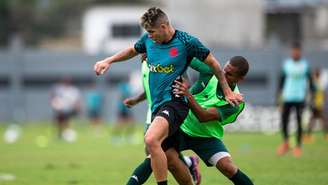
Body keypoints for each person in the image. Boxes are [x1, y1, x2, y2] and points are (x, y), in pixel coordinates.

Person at [94, 7, 242, 184]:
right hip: (158, 107)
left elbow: (214, 65)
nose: (149, 36)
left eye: (152, 32)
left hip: (175, 103)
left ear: (164, 27)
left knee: (151, 139)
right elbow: (132, 50)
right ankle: (189, 167)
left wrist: (226, 91)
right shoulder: (148, 41)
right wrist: (108, 61)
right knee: (161, 154)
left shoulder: (186, 42)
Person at [125, 56, 253, 185]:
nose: (223, 75)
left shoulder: (236, 103)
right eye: (224, 70)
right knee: (155, 157)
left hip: (205, 136)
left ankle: (190, 164)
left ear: (240, 79)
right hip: (180, 127)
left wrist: (188, 95)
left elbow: (203, 117)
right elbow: (184, 54)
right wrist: (154, 51)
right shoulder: (210, 71)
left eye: (229, 74)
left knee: (227, 167)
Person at [123, 58, 201, 185]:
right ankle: (189, 162)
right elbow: (150, 88)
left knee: (154, 150)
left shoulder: (168, 57)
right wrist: (136, 100)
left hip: (169, 111)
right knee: (166, 155)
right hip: (154, 111)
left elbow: (186, 82)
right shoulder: (145, 63)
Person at [276, 42, 314, 157]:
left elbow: (311, 82)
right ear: (291, 52)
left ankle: (297, 146)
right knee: (284, 121)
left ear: (300, 52)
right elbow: (281, 82)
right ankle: (286, 142)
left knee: (299, 122)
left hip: (300, 97)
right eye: (293, 51)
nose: (295, 53)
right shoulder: (287, 65)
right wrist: (279, 98)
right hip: (287, 97)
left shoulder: (305, 66)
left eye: (297, 51)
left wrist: (312, 96)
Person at [304, 68, 328, 142]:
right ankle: (325, 135)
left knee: (314, 120)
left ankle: (307, 135)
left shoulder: (318, 82)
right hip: (316, 104)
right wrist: (313, 102)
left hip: (318, 104)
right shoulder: (315, 83)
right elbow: (313, 94)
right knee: (323, 119)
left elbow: (323, 94)